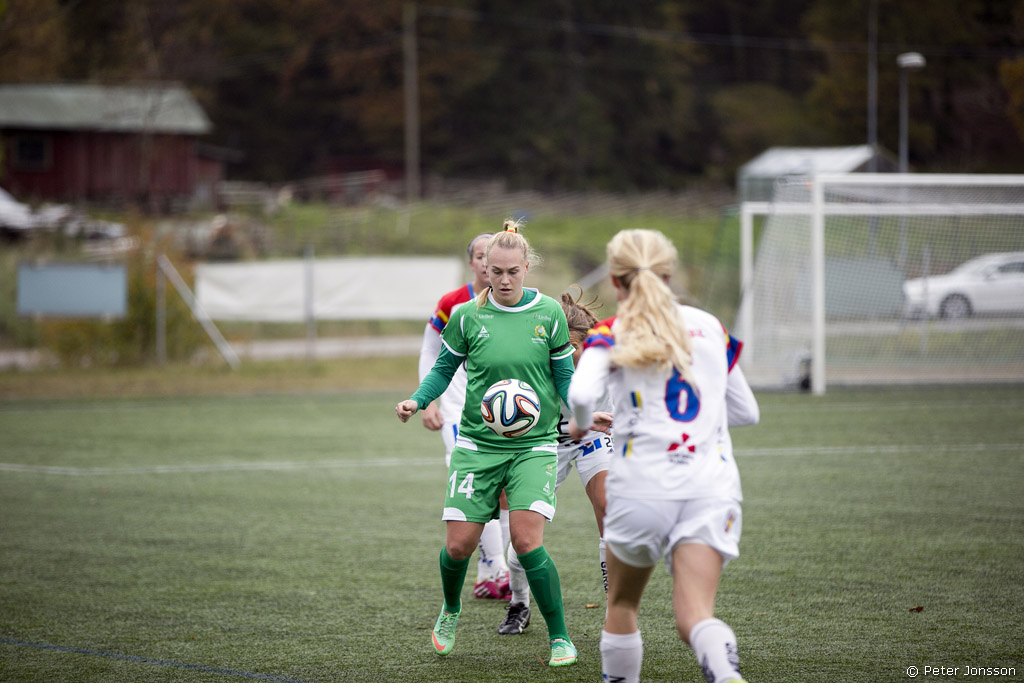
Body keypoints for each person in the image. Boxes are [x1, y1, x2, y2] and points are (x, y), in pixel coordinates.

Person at [567, 229, 759, 683]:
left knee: (622, 605)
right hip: (709, 487)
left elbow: (581, 394)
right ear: (669, 275)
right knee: (695, 616)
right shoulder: (710, 326)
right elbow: (747, 412)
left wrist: (579, 423)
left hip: (642, 487)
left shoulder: (612, 331)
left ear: (616, 281)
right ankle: (725, 673)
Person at [396, 220, 579, 668]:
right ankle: (450, 609)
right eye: (495, 271)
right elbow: (443, 368)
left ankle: (560, 637)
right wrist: (419, 399)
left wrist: (585, 412)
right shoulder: (466, 316)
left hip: (534, 446)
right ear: (483, 269)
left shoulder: (548, 313)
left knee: (527, 542)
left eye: (512, 271)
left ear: (527, 267)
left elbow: (565, 377)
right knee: (459, 546)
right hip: (477, 446)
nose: (504, 280)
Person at [499, 286, 613, 636]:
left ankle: (617, 610)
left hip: (594, 437)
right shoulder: (535, 359)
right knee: (523, 536)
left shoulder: (604, 356)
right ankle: (519, 602)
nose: (564, 353)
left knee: (610, 509)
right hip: (546, 442)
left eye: (572, 347)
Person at [418, 232, 511, 600]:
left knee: (504, 492)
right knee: (479, 488)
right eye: (480, 255)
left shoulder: (515, 301)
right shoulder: (453, 304)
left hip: (505, 413)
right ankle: (499, 570)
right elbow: (430, 352)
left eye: (492, 255)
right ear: (472, 262)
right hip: (461, 412)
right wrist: (429, 401)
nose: (487, 263)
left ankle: (490, 572)